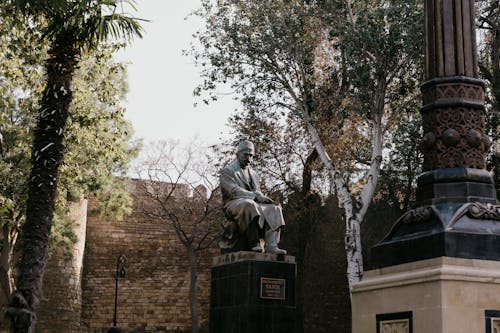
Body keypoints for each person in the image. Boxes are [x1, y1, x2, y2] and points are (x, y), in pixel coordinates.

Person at [220, 140, 286, 254]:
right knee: (249, 204)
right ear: (237, 154)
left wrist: (263, 197)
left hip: (253, 203)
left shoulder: (254, 174)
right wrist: (255, 195)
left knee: (274, 208)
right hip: (233, 203)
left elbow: (257, 192)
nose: (249, 159)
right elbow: (233, 191)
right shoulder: (228, 171)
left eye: (251, 156)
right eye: (246, 155)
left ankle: (271, 245)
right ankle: (254, 242)